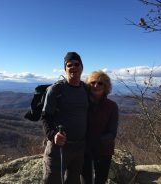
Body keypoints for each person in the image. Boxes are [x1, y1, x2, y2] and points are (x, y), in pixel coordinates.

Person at [42, 52, 89, 184]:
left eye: (76, 64)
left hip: (79, 148)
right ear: (65, 69)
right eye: (69, 65)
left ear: (82, 67)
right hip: (59, 148)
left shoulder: (85, 89)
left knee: (73, 181)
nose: (73, 67)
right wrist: (52, 135)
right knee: (53, 181)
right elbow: (45, 117)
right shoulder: (56, 90)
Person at [81, 71, 119, 184]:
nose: (96, 86)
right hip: (84, 149)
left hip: (104, 149)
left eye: (100, 83)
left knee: (101, 180)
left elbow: (112, 132)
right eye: (92, 82)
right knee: (85, 181)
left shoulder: (112, 106)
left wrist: (97, 142)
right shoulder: (82, 103)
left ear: (106, 86)